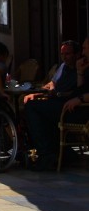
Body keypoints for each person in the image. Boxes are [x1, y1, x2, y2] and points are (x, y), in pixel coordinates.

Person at [24, 36, 89, 170]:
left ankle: (47, 155)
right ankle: (57, 153)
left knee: (33, 109)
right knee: (33, 107)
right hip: (65, 104)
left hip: (75, 108)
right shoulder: (71, 66)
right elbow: (77, 88)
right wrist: (80, 72)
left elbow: (76, 93)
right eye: (62, 54)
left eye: (85, 49)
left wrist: (79, 99)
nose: (83, 52)